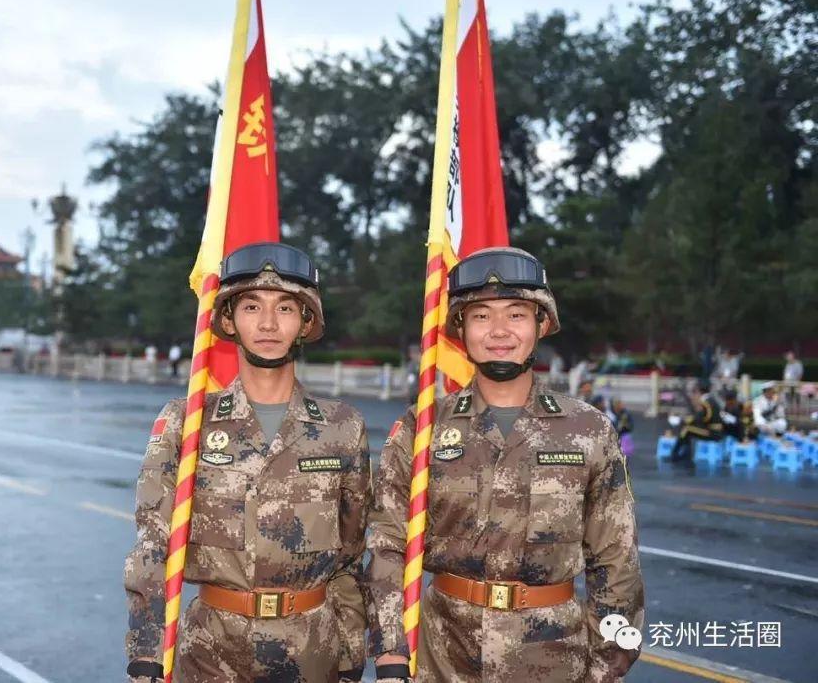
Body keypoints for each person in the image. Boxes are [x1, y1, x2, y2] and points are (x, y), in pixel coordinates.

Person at [365, 247, 644, 683]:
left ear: (542, 323)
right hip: (442, 660)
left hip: (555, 660)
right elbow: (387, 547)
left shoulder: (588, 430)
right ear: (461, 329)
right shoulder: (421, 430)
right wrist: (390, 656)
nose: (498, 331)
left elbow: (616, 561)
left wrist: (605, 667)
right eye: (480, 316)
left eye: (516, 314)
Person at [124, 243, 371, 683]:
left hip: (312, 650)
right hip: (211, 651)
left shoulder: (342, 427)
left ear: (305, 322)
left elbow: (350, 558)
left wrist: (351, 657)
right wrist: (146, 653)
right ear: (228, 320)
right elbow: (152, 545)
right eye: (252, 306)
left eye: (286, 308)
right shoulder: (187, 421)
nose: (269, 323)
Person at [670, 381, 723, 463]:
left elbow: (705, 418)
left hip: (712, 432)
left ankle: (674, 454)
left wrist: (685, 420)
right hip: (716, 431)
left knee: (687, 429)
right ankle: (685, 454)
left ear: (699, 391)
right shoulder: (711, 400)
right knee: (688, 429)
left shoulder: (706, 402)